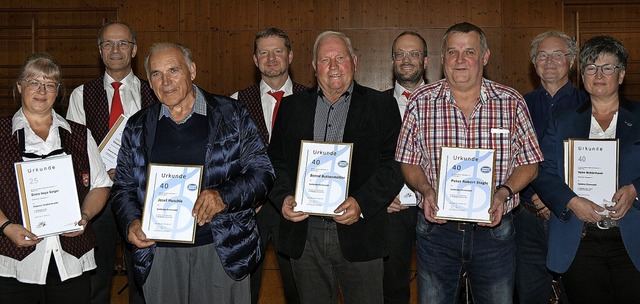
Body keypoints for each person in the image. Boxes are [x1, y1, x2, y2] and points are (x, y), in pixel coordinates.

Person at [110, 42, 274, 303]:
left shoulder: (232, 113)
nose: (166, 82)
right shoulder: (138, 125)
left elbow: (262, 172)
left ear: (192, 71)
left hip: (221, 250)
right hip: (158, 253)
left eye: (174, 70)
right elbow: (123, 187)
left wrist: (223, 195)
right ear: (149, 81)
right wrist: (131, 221)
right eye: (156, 74)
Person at [395, 22, 543, 303]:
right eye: (453, 52)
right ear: (442, 58)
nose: (460, 60)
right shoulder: (420, 102)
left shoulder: (511, 101)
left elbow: (530, 163)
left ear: (485, 57)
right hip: (436, 232)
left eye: (469, 52)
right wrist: (425, 189)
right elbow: (408, 160)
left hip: (495, 232)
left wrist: (503, 192)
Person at [268, 31, 404, 304]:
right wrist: (283, 198)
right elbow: (274, 163)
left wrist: (362, 203)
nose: (333, 66)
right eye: (325, 59)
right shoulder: (292, 107)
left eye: (340, 57)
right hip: (304, 235)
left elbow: (395, 165)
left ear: (354, 61)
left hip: (361, 233)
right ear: (314, 66)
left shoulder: (382, 106)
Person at [532, 35, 640, 304]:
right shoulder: (562, 120)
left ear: (622, 74)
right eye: (591, 67)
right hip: (580, 239)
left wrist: (635, 189)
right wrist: (571, 201)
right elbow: (543, 170)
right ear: (583, 75)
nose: (599, 74)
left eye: (608, 67)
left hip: (632, 238)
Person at [0, 53, 112, 303]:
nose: (42, 90)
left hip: (70, 260)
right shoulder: (0, 134)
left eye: (50, 84)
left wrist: (84, 217)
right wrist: (6, 227)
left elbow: (101, 185)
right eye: (34, 82)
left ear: (58, 91)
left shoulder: (80, 135)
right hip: (14, 261)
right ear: (20, 86)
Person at [66, 20, 156, 304]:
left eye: (123, 43)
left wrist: (131, 172)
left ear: (134, 50)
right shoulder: (80, 95)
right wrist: (101, 174)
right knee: (96, 279)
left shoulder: (154, 92)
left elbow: (161, 144)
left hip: (141, 196)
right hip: (97, 197)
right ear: (100, 50)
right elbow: (74, 149)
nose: (115, 49)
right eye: (108, 43)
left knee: (143, 278)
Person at [231, 27, 307, 304]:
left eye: (277, 51)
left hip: (296, 205)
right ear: (254, 59)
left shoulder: (311, 98)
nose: (271, 58)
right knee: (245, 286)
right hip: (252, 208)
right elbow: (230, 158)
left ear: (290, 56)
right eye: (264, 52)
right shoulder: (235, 102)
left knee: (298, 285)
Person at [514, 30, 587, 304]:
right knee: (529, 293)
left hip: (574, 217)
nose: (550, 60)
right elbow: (510, 157)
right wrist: (536, 192)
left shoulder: (590, 105)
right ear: (534, 64)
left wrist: (555, 197)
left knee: (576, 293)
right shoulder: (518, 105)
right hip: (526, 218)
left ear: (571, 61)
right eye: (542, 55)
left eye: (558, 54)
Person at [382, 30, 429, 304]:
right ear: (392, 61)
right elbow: (367, 158)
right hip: (393, 209)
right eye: (400, 55)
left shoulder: (446, 101)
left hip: (437, 209)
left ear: (426, 60)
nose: (406, 60)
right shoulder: (376, 105)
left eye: (413, 54)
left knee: (438, 283)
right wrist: (380, 197)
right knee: (393, 285)